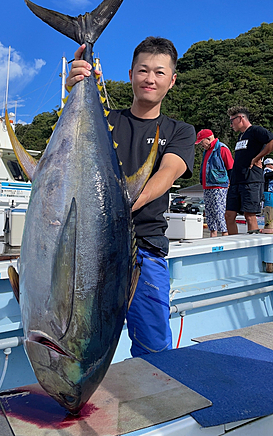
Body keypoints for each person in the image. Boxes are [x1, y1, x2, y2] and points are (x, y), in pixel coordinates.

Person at [66, 37, 195, 357]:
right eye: (143, 70)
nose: (150, 79)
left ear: (172, 80)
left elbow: (166, 175)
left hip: (145, 250)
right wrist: (76, 93)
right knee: (78, 341)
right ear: (130, 74)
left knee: (154, 346)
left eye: (159, 72)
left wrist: (117, 206)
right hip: (90, 251)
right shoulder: (105, 122)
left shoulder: (180, 131)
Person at [225, 106, 273, 235]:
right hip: (236, 181)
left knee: (249, 215)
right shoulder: (241, 136)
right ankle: (232, 245)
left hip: (251, 179)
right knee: (229, 215)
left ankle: (252, 246)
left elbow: (271, 141)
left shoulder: (255, 130)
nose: (231, 125)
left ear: (240, 118)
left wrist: (258, 157)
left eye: (232, 121)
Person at [195, 129, 234, 237]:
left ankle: (224, 234)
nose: (201, 145)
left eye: (201, 142)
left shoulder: (221, 148)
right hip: (207, 186)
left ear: (208, 139)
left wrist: (231, 183)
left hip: (219, 186)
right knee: (209, 212)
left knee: (219, 211)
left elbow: (230, 167)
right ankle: (213, 234)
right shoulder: (206, 151)